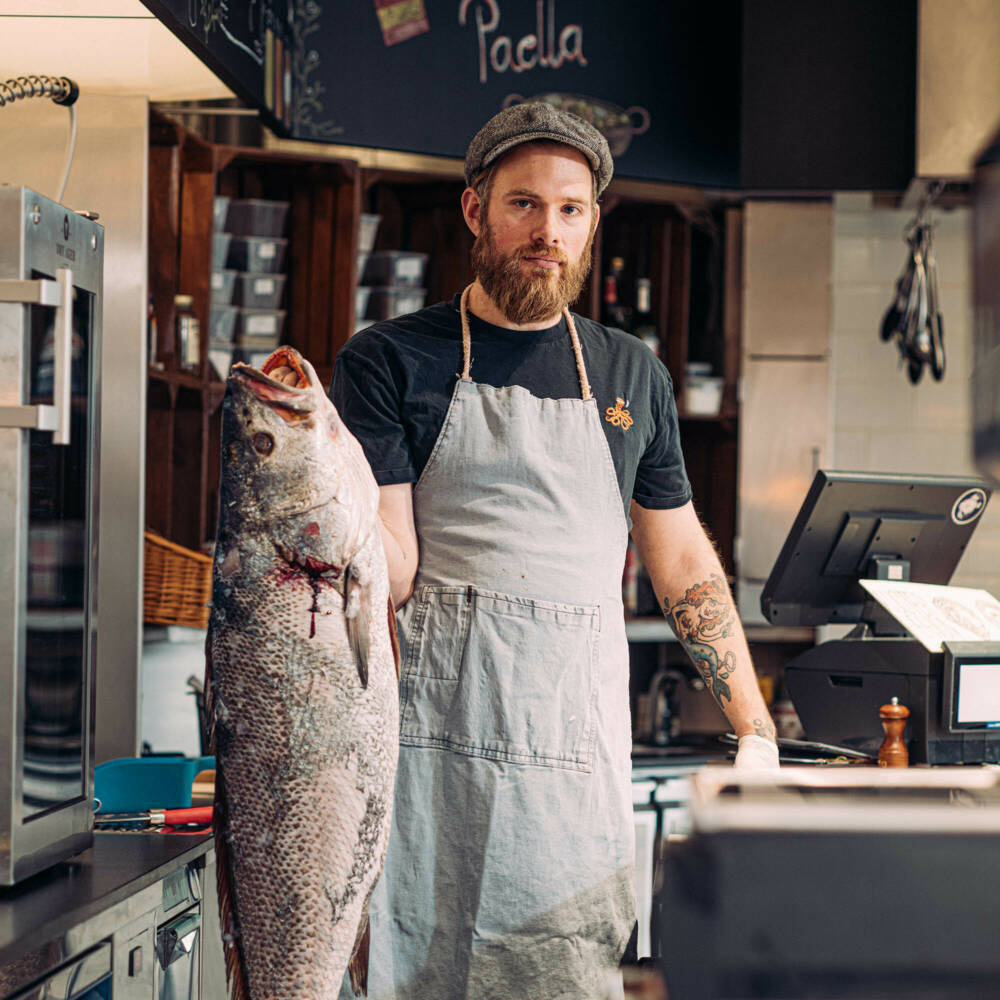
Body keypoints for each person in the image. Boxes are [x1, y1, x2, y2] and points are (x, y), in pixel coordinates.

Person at [331, 102, 778, 1000]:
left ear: (592, 224)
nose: (548, 232)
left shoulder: (631, 375)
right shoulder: (390, 360)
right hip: (424, 772)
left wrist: (754, 728)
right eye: (525, 205)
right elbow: (398, 567)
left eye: (569, 210)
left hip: (572, 783)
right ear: (475, 212)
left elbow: (683, 562)